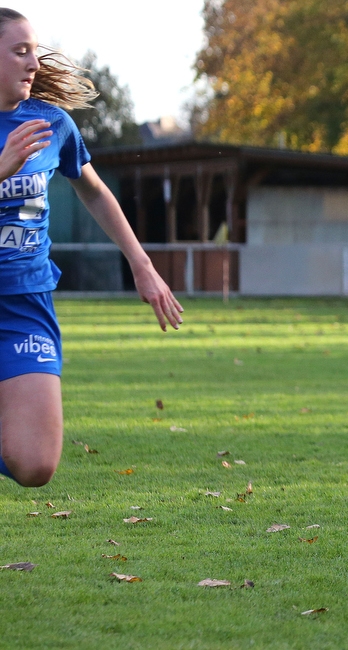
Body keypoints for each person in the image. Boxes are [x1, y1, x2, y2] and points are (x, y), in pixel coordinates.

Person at [0, 9, 183, 487]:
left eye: (35, 50)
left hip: (24, 303)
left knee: (36, 466)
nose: (34, 62)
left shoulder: (51, 123)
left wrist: (142, 265)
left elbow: (95, 191)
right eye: (20, 51)